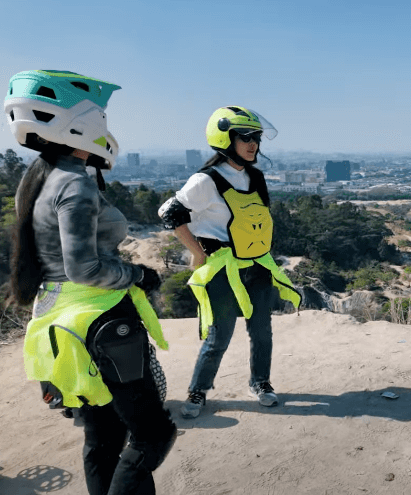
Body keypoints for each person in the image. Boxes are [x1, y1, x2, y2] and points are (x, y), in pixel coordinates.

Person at [7, 70, 177, 494]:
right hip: (100, 316)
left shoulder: (38, 179)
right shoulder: (75, 183)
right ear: (80, 120)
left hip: (61, 316)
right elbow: (84, 268)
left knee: (103, 437)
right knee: (152, 435)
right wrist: (139, 274)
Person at [159, 106, 301, 419]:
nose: (253, 143)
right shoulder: (205, 181)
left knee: (262, 331)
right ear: (225, 139)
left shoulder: (257, 177)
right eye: (245, 137)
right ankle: (199, 390)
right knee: (219, 335)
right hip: (223, 268)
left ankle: (260, 382)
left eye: (257, 137)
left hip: (258, 265)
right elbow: (170, 213)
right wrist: (197, 252)